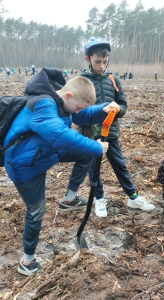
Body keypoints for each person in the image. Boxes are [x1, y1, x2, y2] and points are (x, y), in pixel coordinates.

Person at [3, 67, 120, 276]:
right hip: (24, 165)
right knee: (36, 211)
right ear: (68, 95)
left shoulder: (62, 101)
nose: (76, 112)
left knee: (85, 154)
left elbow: (81, 113)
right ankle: (27, 261)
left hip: (42, 154)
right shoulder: (44, 104)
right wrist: (96, 147)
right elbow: (59, 135)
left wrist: (102, 109)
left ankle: (69, 198)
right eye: (75, 107)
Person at [68, 37, 155, 218]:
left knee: (120, 166)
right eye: (97, 62)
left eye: (105, 62)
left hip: (111, 133)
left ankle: (133, 197)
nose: (101, 66)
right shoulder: (81, 80)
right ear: (88, 59)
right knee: (94, 169)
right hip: (90, 134)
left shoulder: (112, 79)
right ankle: (99, 199)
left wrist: (117, 110)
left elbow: (123, 104)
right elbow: (75, 109)